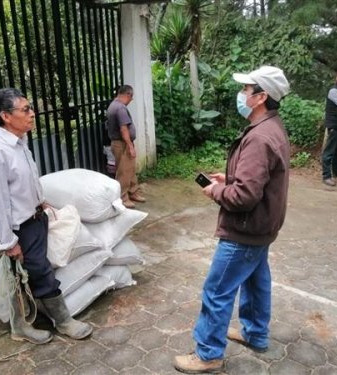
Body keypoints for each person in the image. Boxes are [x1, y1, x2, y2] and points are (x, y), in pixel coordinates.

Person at [174, 66, 291, 373]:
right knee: (256, 281)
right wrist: (228, 178)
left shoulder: (260, 137)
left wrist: (216, 191)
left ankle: (209, 354)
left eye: (246, 90)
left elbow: (245, 197)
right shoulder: (272, 127)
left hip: (244, 230)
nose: (241, 95)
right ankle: (255, 334)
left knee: (217, 290)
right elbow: (258, 180)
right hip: (262, 227)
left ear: (261, 97)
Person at [0, 88, 93, 344]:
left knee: (30, 272)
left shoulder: (20, 142)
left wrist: (41, 201)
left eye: (30, 108)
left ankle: (34, 320)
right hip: (20, 228)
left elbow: (25, 182)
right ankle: (57, 322)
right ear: (6, 116)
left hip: (35, 218)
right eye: (26, 109)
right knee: (37, 272)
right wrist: (8, 242)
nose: (32, 114)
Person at [106, 85, 146, 209]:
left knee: (130, 169)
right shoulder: (120, 108)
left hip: (120, 143)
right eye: (131, 97)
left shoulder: (114, 105)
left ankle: (133, 192)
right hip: (122, 144)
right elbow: (124, 129)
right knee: (124, 172)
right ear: (128, 95)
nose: (131, 100)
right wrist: (130, 146)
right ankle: (123, 197)